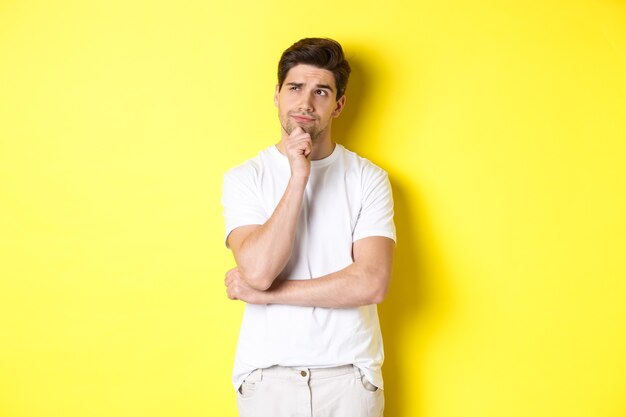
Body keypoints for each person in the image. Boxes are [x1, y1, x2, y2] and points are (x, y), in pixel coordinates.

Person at [221, 37, 395, 417]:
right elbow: (258, 270)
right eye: (295, 88)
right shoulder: (244, 178)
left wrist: (268, 296)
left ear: (339, 104)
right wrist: (298, 175)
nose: (305, 102)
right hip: (267, 378)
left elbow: (371, 282)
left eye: (321, 91)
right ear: (277, 95)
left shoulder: (368, 178)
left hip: (348, 377)